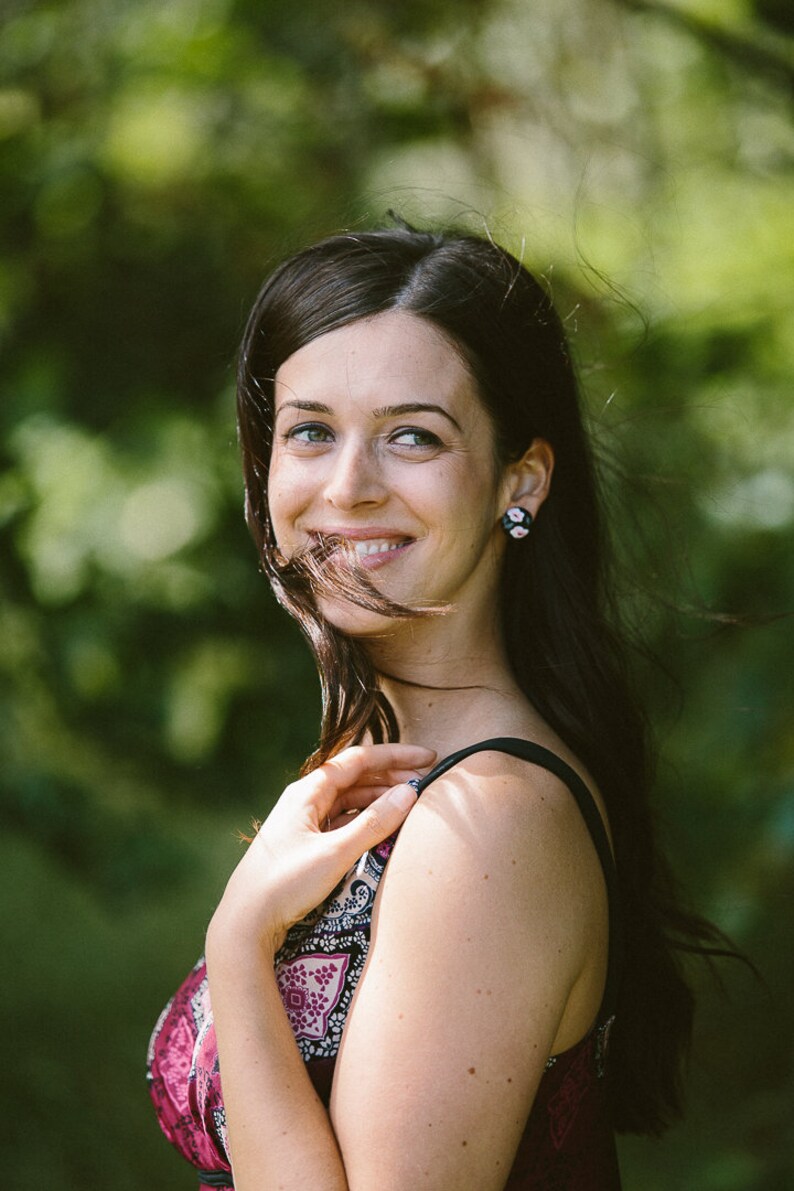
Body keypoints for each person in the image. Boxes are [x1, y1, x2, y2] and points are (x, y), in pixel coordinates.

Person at [147, 223, 724, 1190]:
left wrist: (238, 945)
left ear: (520, 481)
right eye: (311, 431)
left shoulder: (489, 817)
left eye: (412, 434)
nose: (347, 486)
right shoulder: (398, 755)